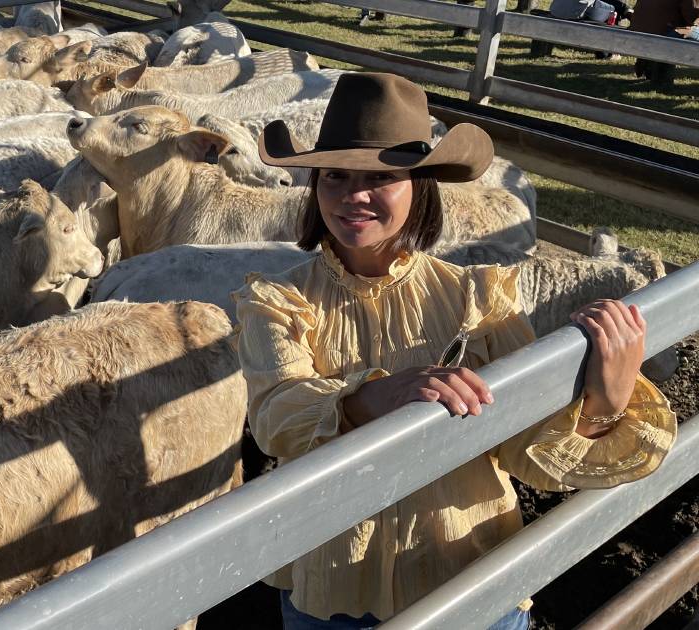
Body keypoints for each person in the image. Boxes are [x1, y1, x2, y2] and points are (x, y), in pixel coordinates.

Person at [236, 72, 677, 630]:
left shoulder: (480, 301)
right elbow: (277, 416)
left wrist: (604, 406)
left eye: (381, 177)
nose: (352, 196)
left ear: (420, 186)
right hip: (333, 584)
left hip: (468, 582)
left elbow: (526, 453)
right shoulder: (276, 300)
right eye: (334, 176)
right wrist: (378, 395)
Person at [630, 0, 699, 86]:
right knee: (687, 32)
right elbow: (692, 17)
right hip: (661, 34)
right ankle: (661, 76)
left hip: (637, 31)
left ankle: (649, 64)